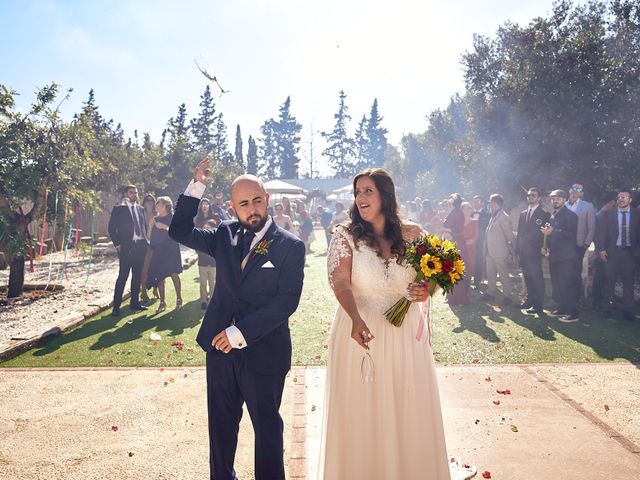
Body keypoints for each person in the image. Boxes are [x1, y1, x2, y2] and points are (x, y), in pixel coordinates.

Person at [169, 158, 306, 480]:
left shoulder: (291, 246)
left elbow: (287, 301)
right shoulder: (223, 234)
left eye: (257, 200)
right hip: (220, 352)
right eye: (244, 203)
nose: (252, 208)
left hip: (265, 352)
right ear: (233, 206)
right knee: (220, 430)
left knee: (268, 431)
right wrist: (196, 187)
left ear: (267, 200)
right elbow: (179, 230)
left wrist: (239, 332)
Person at [320, 168, 453, 479]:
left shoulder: (413, 234)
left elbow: (430, 280)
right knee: (363, 411)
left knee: (407, 407)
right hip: (359, 331)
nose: (361, 198)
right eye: (358, 192)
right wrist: (355, 318)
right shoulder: (345, 235)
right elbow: (339, 281)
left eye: (368, 191)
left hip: (406, 335)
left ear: (385, 195)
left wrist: (425, 290)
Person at [595, 190, 640, 321]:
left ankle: (628, 311)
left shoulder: (637, 214)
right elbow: (601, 233)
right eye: (619, 197)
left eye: (625, 197)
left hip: (630, 253)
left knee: (628, 283)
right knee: (609, 281)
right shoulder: (609, 214)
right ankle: (607, 309)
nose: (621, 199)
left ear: (630, 200)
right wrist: (601, 249)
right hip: (612, 252)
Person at [107, 184, 149, 316]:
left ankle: (134, 303)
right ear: (126, 194)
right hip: (127, 248)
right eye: (131, 192)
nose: (134, 195)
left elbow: (144, 227)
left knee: (137, 277)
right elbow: (111, 228)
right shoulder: (119, 209)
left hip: (140, 247)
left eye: (136, 193)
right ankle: (116, 307)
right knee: (122, 277)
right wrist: (118, 245)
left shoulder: (141, 209)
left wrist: (145, 242)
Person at [541, 189, 579, 321]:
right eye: (553, 198)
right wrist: (545, 246)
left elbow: (571, 236)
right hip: (555, 256)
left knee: (568, 284)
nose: (555, 200)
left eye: (558, 198)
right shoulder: (553, 216)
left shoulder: (571, 215)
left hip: (566, 257)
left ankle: (572, 313)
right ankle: (561, 309)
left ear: (564, 200)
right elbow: (551, 235)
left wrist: (554, 232)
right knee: (557, 284)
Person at [515, 187, 550, 314]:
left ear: (539, 198)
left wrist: (545, 247)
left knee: (537, 278)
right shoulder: (523, 213)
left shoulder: (544, 214)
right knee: (528, 277)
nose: (530, 197)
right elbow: (520, 234)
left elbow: (546, 235)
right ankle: (529, 301)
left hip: (535, 252)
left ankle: (538, 305)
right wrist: (517, 250)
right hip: (523, 252)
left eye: (533, 195)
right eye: (529, 195)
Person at [146, 196, 183, 313]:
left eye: (158, 203)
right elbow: (148, 237)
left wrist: (165, 227)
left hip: (171, 249)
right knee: (160, 276)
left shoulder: (173, 218)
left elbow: (178, 234)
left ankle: (179, 299)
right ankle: (162, 302)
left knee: (173, 273)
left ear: (164, 206)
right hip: (159, 251)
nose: (155, 205)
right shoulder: (154, 218)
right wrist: (151, 226)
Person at [483, 193, 515, 305]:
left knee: (503, 274)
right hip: (490, 251)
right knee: (490, 274)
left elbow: (509, 236)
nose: (489, 204)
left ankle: (508, 296)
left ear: (495, 203)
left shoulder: (504, 217)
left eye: (490, 202)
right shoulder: (494, 215)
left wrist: (512, 251)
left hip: (500, 252)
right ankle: (491, 293)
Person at [566, 183, 596, 299]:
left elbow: (591, 227)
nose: (575, 193)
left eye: (578, 191)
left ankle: (575, 299)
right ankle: (565, 298)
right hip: (564, 246)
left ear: (581, 194)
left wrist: (587, 243)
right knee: (565, 272)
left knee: (575, 273)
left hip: (579, 245)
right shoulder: (563, 205)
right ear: (569, 191)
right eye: (573, 190)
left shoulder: (588, 206)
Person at [591, 193, 617, 310]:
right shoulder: (602, 216)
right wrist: (601, 250)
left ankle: (600, 300)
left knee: (602, 277)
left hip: (604, 252)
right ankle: (597, 301)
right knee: (601, 278)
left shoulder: (601, 215)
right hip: (603, 253)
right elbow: (598, 236)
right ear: (612, 202)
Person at [443, 194, 468, 305]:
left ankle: (459, 298)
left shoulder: (457, 213)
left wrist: (447, 231)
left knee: (455, 269)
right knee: (450, 269)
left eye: (450, 198)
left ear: (454, 201)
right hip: (451, 242)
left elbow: (457, 229)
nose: (448, 201)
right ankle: (451, 297)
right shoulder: (454, 212)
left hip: (456, 243)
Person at [139, 193, 157, 304]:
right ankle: (143, 291)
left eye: (151, 200)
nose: (149, 202)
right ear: (144, 202)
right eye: (147, 200)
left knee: (156, 267)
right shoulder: (140, 213)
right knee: (144, 269)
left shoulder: (157, 214)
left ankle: (156, 289)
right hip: (143, 245)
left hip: (156, 244)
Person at [471, 195, 491, 289]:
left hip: (481, 242)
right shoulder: (469, 214)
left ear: (482, 203)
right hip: (470, 242)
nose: (475, 203)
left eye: (477, 201)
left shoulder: (488, 215)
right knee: (471, 261)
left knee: (479, 261)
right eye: (474, 201)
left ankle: (477, 282)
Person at [198, 219, 218, 310]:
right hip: (202, 264)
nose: (206, 229)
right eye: (205, 227)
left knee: (212, 283)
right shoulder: (200, 238)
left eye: (209, 227)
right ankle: (203, 301)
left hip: (213, 264)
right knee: (202, 283)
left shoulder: (216, 239)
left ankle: (212, 301)